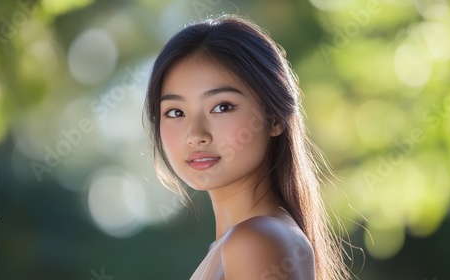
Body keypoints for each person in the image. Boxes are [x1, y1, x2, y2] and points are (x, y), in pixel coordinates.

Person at [144, 14, 350, 280]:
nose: (195, 135)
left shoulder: (253, 241)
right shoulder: (238, 244)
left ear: (275, 118)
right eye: (175, 112)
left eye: (222, 107)